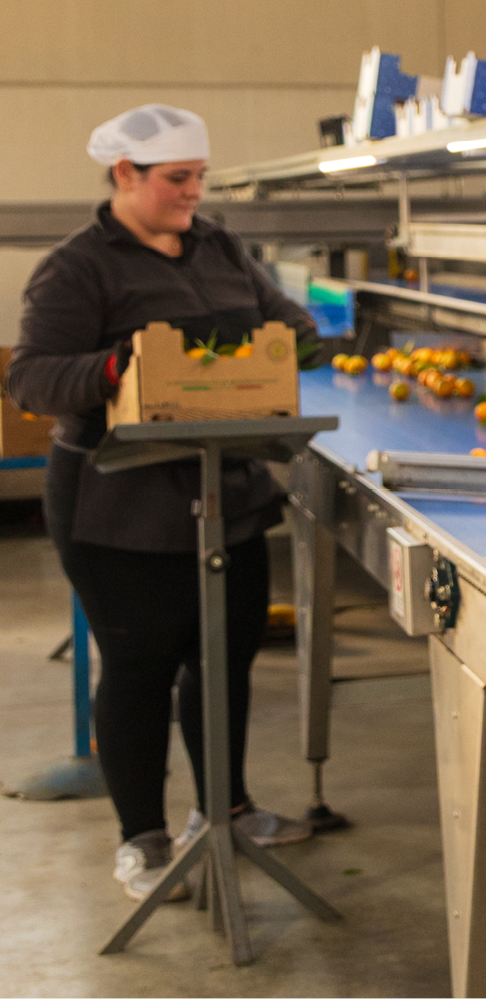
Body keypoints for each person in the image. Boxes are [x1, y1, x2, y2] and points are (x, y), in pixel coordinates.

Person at [11, 105, 322, 902]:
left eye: (198, 177)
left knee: (225, 659)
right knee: (139, 667)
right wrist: (120, 368)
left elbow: (283, 319)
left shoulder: (219, 246)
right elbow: (31, 379)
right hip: (119, 508)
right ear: (125, 175)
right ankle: (142, 841)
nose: (192, 193)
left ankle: (227, 809)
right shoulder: (77, 268)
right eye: (177, 179)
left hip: (229, 494)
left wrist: (294, 343)